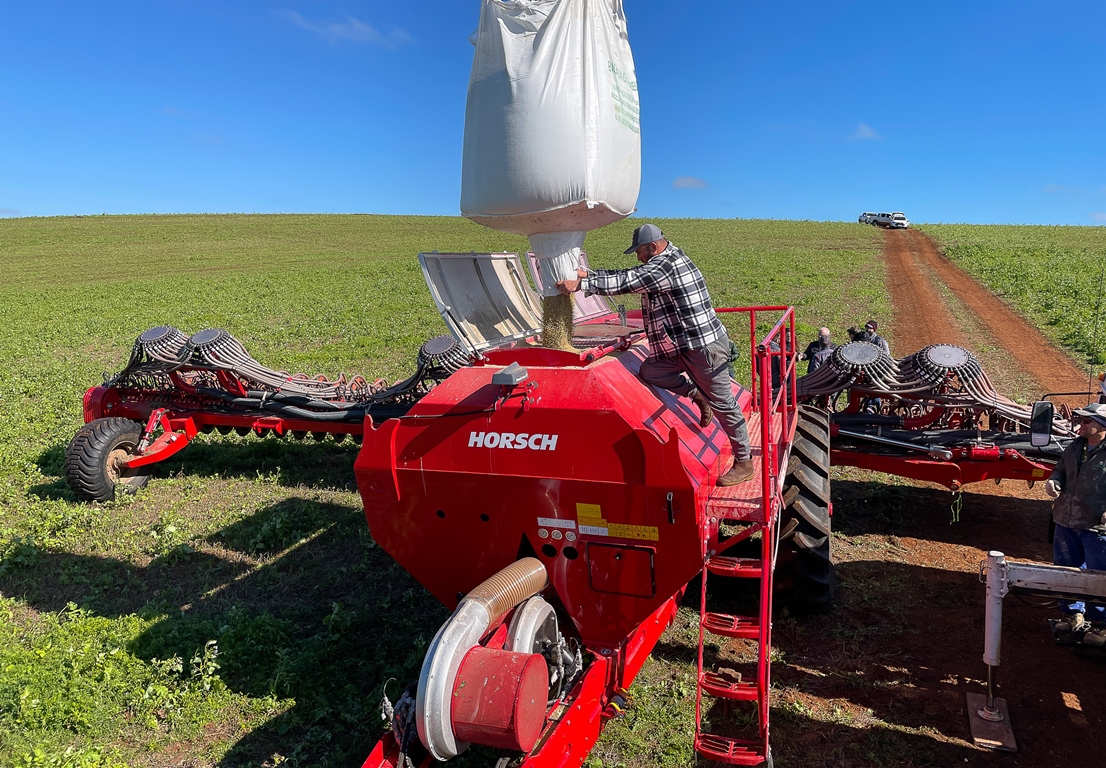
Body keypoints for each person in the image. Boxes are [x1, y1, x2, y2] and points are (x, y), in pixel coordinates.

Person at [556, 223, 754, 486]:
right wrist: (589, 274)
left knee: (724, 404)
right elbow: (632, 274)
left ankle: (744, 462)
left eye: (639, 251)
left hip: (703, 347)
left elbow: (631, 281)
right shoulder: (661, 262)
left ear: (653, 246)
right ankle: (696, 394)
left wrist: (584, 283)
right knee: (651, 371)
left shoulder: (666, 266)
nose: (638, 257)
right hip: (681, 345)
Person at [1044, 402, 1106, 646]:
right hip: (1065, 521)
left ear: (1102, 427)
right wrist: (1053, 481)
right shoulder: (1075, 447)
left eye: (1087, 421)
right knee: (1066, 570)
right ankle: (1072, 615)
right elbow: (1060, 469)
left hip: (1096, 528)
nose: (1081, 424)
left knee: (1098, 576)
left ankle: (1100, 625)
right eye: (1081, 420)